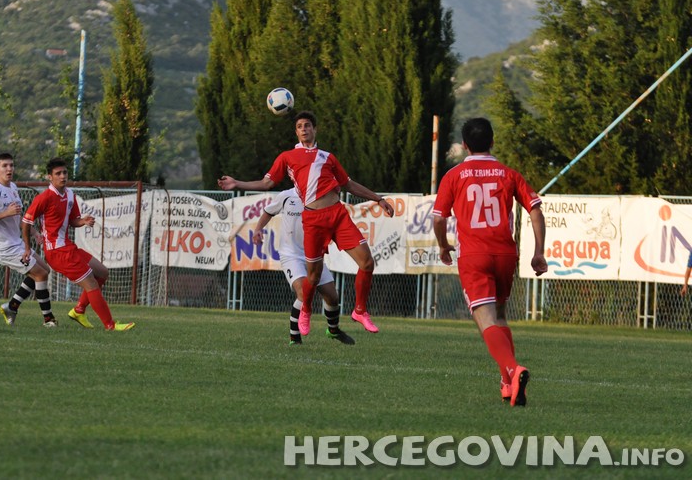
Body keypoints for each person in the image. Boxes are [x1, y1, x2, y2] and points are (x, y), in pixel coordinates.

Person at [218, 110, 394, 343]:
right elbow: (266, 182)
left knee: (367, 262)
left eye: (308, 125)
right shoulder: (288, 157)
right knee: (313, 276)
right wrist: (237, 183)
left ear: (315, 129)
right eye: (300, 126)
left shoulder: (327, 157)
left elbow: (349, 184)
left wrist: (378, 199)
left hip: (337, 214)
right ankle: (306, 312)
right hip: (313, 220)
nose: (304, 129)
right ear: (296, 132)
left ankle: (359, 311)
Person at [432, 117, 547, 407]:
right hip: (505, 254)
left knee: (485, 321)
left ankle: (513, 370)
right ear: (493, 141)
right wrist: (539, 252)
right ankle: (507, 384)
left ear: (464, 145)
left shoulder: (454, 175)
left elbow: (439, 218)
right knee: (500, 316)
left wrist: (443, 245)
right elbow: (535, 210)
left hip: (474, 255)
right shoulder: (509, 174)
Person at [21, 158, 135, 331]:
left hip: (69, 247)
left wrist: (83, 221)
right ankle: (110, 325)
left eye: (64, 172)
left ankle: (79, 310)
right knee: (91, 284)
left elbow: (73, 221)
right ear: (50, 177)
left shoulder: (70, 195)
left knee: (102, 273)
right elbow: (26, 222)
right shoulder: (44, 198)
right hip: (57, 252)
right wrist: (27, 248)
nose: (62, 176)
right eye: (58, 173)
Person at [252, 188, 349, 345]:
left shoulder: (321, 196)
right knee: (303, 292)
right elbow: (268, 212)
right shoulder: (286, 196)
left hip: (314, 255)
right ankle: (295, 338)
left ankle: (333, 330)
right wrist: (257, 230)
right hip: (291, 256)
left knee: (332, 296)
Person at [0, 153, 57, 327]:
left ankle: (12, 306)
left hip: (16, 242)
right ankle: (48, 319)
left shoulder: (12, 187)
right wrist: (5, 213)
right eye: (4, 166)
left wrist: (34, 232)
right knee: (40, 274)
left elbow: (17, 217)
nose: (9, 169)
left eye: (11, 165)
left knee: (45, 270)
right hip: (4, 247)